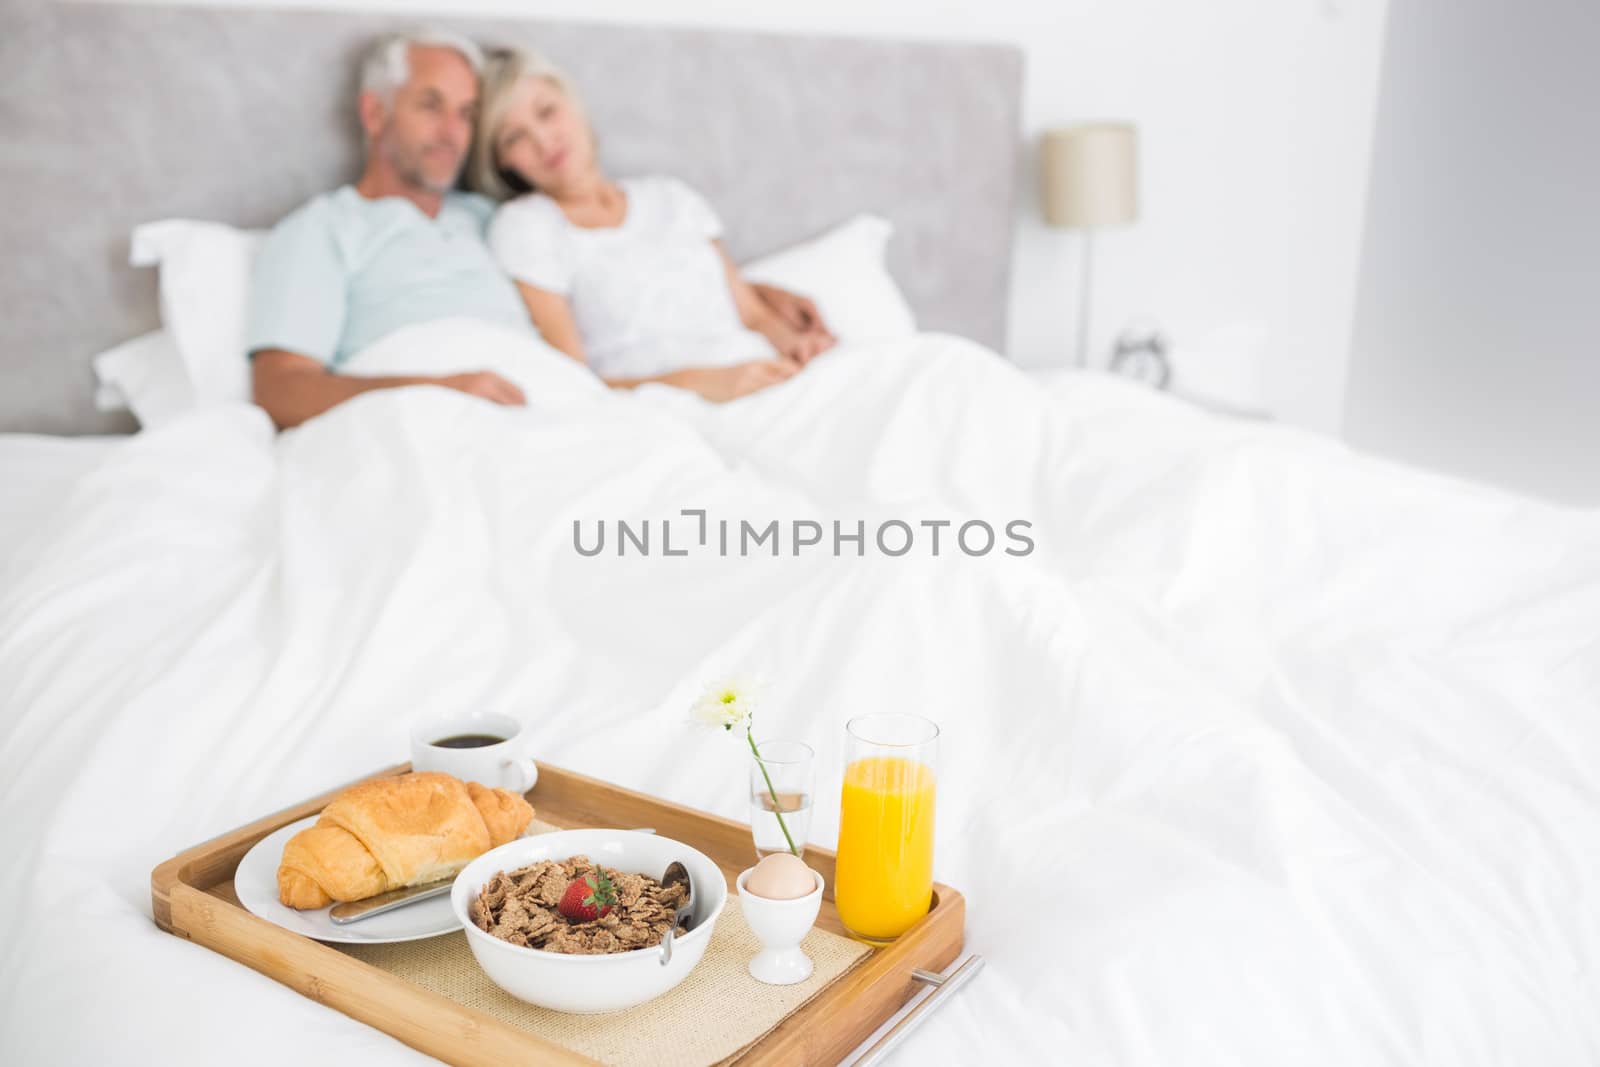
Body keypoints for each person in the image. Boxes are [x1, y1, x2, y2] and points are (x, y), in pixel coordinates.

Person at [467, 48, 837, 404]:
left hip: (770, 379)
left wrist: (797, 344)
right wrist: (701, 383)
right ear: (502, 161)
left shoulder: (671, 198)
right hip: (674, 410)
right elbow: (573, 380)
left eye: (547, 112)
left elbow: (752, 314)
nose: (543, 141)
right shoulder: (527, 228)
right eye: (515, 137)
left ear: (574, 105)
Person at [247, 31, 536, 429]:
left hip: (542, 410)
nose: (452, 133)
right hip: (423, 426)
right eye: (430, 106)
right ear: (374, 113)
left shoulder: (499, 222)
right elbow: (279, 390)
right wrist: (434, 391)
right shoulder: (325, 228)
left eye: (466, 114)